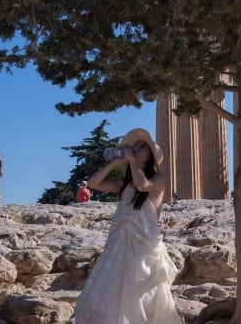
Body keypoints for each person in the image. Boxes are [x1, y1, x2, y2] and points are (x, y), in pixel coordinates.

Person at [74, 128, 182, 323]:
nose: (136, 148)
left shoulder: (159, 178)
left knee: (144, 295)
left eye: (142, 146)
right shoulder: (124, 183)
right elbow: (93, 183)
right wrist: (116, 162)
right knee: (112, 288)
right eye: (136, 145)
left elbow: (143, 186)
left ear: (150, 155)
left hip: (145, 245)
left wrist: (132, 161)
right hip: (120, 242)